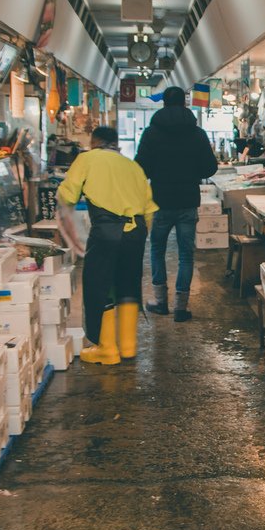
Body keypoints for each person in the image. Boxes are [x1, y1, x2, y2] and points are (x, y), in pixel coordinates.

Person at [57, 127, 157, 365]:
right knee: (128, 285)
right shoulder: (132, 165)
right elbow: (149, 210)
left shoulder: (87, 158)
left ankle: (108, 350)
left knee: (99, 285)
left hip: (106, 230)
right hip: (137, 231)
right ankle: (129, 348)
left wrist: (71, 234)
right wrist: (137, 235)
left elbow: (67, 195)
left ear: (94, 142)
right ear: (115, 143)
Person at [135, 86, 219, 322]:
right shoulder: (197, 133)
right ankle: (180, 308)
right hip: (187, 202)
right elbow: (210, 168)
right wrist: (192, 171)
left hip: (160, 201)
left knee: (157, 250)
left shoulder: (151, 133)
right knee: (185, 254)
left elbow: (141, 167)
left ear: (164, 103)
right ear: (184, 103)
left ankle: (161, 303)